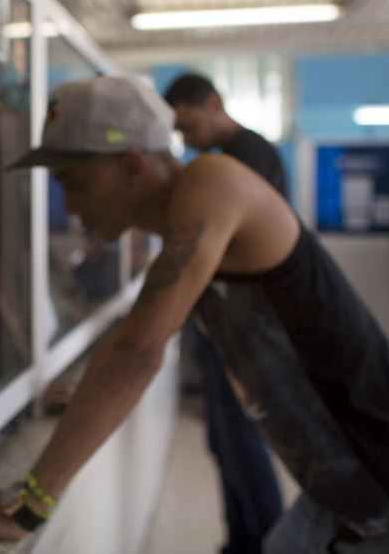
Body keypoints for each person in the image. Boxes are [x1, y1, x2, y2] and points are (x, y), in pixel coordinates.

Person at [0, 77, 389, 553]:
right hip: (341, 503)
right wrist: (93, 393)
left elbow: (138, 349)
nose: (70, 205)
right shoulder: (185, 228)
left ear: (131, 165)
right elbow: (144, 334)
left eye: (73, 182)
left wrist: (23, 508)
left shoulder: (212, 182)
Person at [164, 72, 284, 554]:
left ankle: (264, 545)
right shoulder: (222, 159)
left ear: (214, 102)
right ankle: (240, 541)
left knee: (241, 442)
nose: (186, 140)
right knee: (224, 443)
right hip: (224, 321)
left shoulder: (246, 158)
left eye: (190, 126)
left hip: (247, 324)